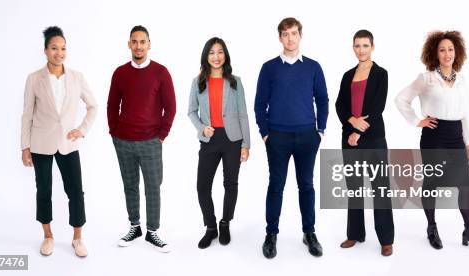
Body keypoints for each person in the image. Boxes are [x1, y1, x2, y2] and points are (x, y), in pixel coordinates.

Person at [395, 30, 469, 251]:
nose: (447, 54)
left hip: (456, 135)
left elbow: (465, 113)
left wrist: (468, 142)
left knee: (466, 186)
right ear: (435, 53)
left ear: (457, 52)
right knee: (431, 185)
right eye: (442, 50)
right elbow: (401, 99)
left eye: (451, 49)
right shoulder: (426, 78)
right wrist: (417, 121)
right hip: (434, 136)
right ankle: (431, 228)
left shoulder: (462, 80)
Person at [254, 17, 329, 259]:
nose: (290, 38)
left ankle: (309, 233)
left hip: (308, 136)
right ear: (280, 38)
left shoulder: (313, 67)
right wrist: (265, 134)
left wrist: (320, 131)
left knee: (306, 185)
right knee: (276, 186)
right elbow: (259, 105)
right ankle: (271, 234)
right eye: (285, 34)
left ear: (300, 36)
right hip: (277, 137)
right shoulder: (269, 67)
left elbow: (323, 99)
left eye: (294, 33)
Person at [21, 26, 97, 257]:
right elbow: (27, 114)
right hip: (40, 143)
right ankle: (48, 236)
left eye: (63, 48)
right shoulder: (34, 79)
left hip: (68, 143)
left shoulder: (77, 77)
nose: (59, 52)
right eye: (54, 48)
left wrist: (81, 130)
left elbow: (93, 106)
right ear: (45, 50)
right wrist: (25, 146)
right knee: (43, 190)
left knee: (76, 191)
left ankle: (77, 238)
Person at [107, 25, 176, 253]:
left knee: (153, 187)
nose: (138, 46)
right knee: (130, 186)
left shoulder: (161, 72)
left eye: (142, 42)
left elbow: (171, 107)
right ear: (129, 44)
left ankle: (152, 231)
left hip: (150, 142)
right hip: (124, 141)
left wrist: (161, 136)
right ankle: (134, 226)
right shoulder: (120, 73)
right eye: (134, 42)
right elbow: (112, 105)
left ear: (149, 44)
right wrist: (114, 132)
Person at [334, 29, 394, 256]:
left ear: (373, 47)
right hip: (348, 138)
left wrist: (358, 132)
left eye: (365, 46)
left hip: (373, 139)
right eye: (357, 46)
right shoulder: (347, 75)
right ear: (353, 48)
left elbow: (377, 108)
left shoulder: (381, 74)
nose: (361, 50)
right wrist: (351, 122)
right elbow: (340, 105)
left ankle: (386, 239)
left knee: (380, 188)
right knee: (354, 188)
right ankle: (355, 234)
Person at [187, 37, 251, 249]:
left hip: (233, 140)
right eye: (212, 52)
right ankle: (211, 227)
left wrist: (246, 144)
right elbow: (191, 111)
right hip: (209, 139)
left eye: (220, 52)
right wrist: (201, 128)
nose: (216, 56)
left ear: (225, 55)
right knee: (202, 186)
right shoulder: (198, 82)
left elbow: (243, 114)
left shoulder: (235, 81)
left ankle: (225, 223)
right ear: (206, 56)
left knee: (230, 184)